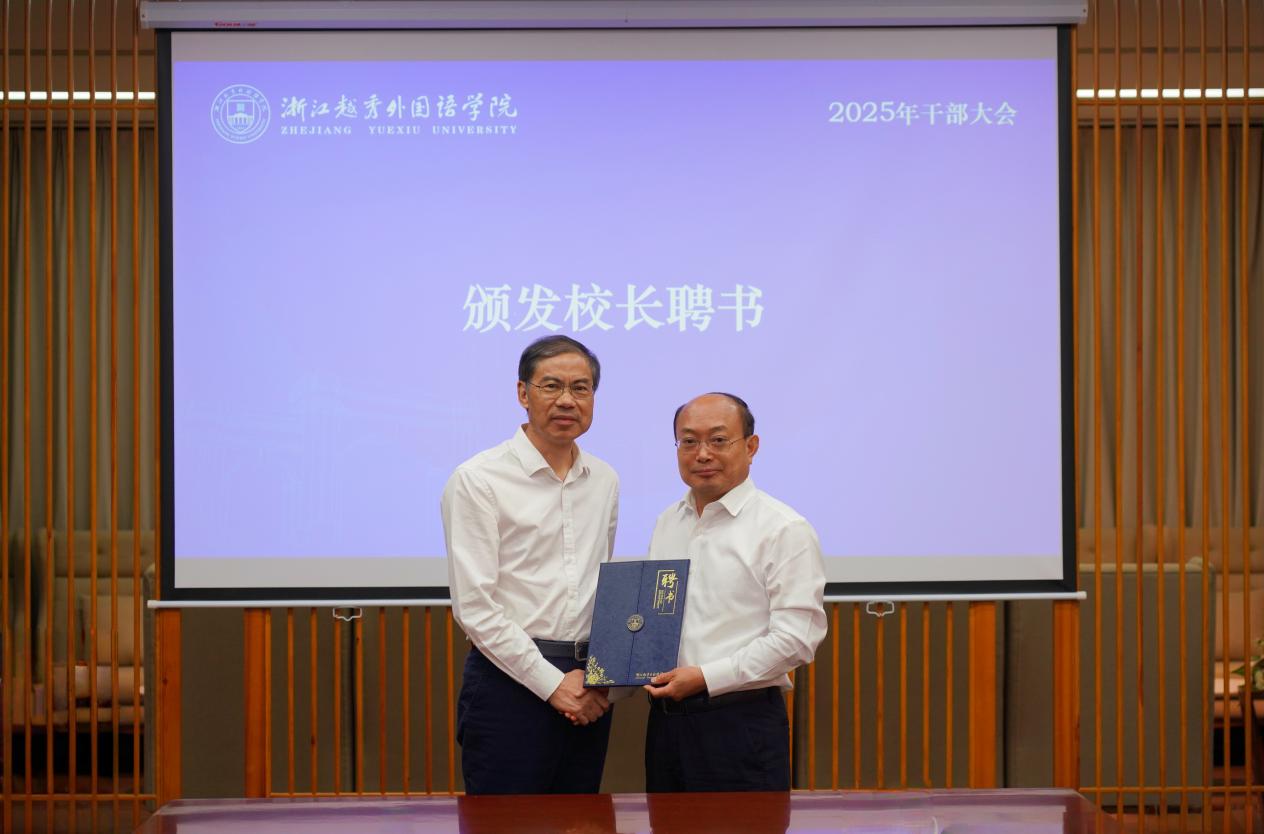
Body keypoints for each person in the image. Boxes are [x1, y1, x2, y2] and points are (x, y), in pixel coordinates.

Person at [442, 335, 618, 795]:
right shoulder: (478, 479)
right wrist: (552, 685)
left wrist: (598, 682)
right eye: (551, 386)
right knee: (506, 824)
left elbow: (602, 588)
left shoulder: (604, 480)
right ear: (523, 393)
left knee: (582, 823)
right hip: (508, 684)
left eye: (580, 388)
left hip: (587, 686)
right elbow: (475, 607)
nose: (567, 400)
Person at [644, 392, 827, 792]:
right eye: (688, 441)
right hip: (666, 724)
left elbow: (796, 639)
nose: (702, 454)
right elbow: (655, 619)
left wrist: (706, 677)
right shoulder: (667, 522)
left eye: (718, 440)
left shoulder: (783, 529)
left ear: (751, 446)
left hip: (740, 725)